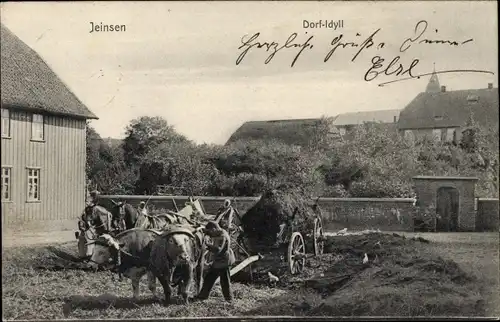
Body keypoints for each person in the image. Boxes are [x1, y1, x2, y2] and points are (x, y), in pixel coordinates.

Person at [196, 221, 235, 303]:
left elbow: (218, 249)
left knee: (225, 281)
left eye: (210, 232)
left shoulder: (222, 236)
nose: (210, 234)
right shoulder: (219, 233)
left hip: (224, 261)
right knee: (209, 278)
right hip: (219, 261)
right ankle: (202, 296)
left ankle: (229, 300)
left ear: (214, 229)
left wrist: (208, 245)